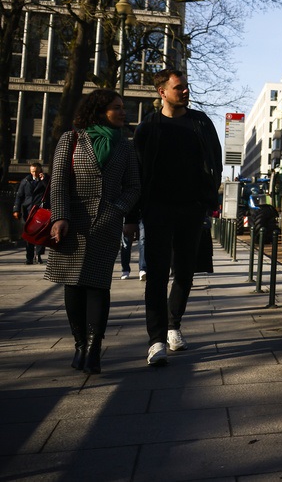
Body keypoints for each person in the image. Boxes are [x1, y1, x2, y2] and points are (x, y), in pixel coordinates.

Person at [45, 89, 141, 374]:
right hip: (72, 222)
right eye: (117, 107)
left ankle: (94, 347)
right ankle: (79, 344)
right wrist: (60, 217)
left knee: (98, 285)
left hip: (105, 224)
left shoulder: (125, 147)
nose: (124, 112)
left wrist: (115, 210)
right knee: (73, 284)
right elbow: (59, 181)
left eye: (123, 107)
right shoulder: (72, 139)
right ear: (100, 110)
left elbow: (134, 187)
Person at [134, 69, 222, 366]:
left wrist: (208, 200)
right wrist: (136, 213)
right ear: (162, 92)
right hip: (157, 209)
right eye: (179, 87)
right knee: (157, 275)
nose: (185, 91)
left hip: (191, 208)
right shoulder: (149, 127)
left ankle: (173, 326)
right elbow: (138, 170)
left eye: (186, 87)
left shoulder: (200, 123)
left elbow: (215, 161)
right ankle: (156, 340)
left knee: (184, 273)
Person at [14, 162, 48, 264]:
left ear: (40, 171)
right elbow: (19, 196)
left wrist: (44, 180)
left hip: (40, 211)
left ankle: (38, 255)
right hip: (28, 211)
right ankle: (29, 257)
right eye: (33, 171)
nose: (34, 174)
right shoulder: (25, 181)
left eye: (36, 171)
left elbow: (50, 191)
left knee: (40, 234)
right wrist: (16, 209)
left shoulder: (45, 180)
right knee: (28, 234)